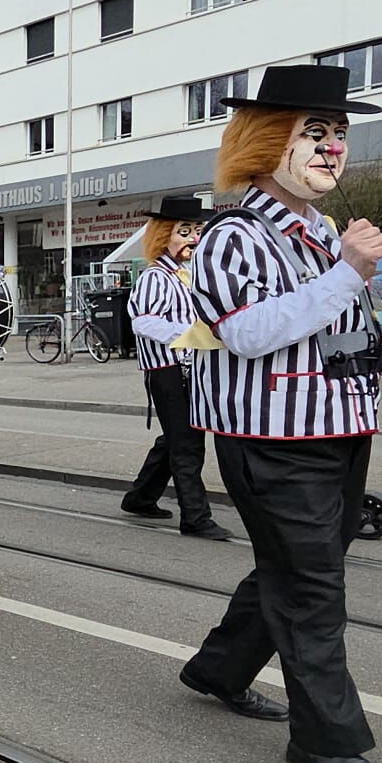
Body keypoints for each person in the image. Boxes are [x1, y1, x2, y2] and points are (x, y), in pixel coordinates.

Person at [179, 64, 382, 763]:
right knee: (313, 587)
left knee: (295, 568)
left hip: (338, 426)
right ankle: (325, 740)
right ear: (263, 140)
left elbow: (322, 327)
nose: (333, 147)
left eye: (339, 133)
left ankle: (218, 669)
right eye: (315, 132)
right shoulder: (233, 236)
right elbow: (247, 332)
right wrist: (348, 274)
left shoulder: (320, 234)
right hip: (272, 438)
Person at [120, 197, 232, 541]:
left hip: (191, 369)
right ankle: (195, 518)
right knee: (187, 443)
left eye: (197, 231)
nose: (194, 238)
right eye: (185, 232)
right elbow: (143, 321)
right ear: (163, 235)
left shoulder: (190, 275)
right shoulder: (156, 277)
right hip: (168, 370)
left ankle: (140, 497)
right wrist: (187, 335)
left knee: (175, 439)